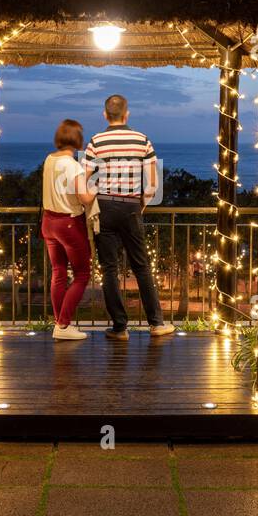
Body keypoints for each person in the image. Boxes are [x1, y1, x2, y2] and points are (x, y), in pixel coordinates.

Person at [83, 95, 175, 339]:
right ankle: (156, 324)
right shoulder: (142, 140)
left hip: (104, 207)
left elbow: (85, 180)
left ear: (105, 115)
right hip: (131, 206)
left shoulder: (95, 142)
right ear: (127, 114)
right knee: (142, 266)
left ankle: (120, 327)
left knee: (109, 269)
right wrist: (138, 206)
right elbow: (152, 184)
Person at [41, 119, 97, 340]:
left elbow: (62, 186)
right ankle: (63, 325)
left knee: (58, 273)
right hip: (68, 224)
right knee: (82, 274)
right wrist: (96, 186)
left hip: (48, 222)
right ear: (77, 138)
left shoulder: (49, 160)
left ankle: (60, 324)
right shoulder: (72, 165)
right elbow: (84, 198)